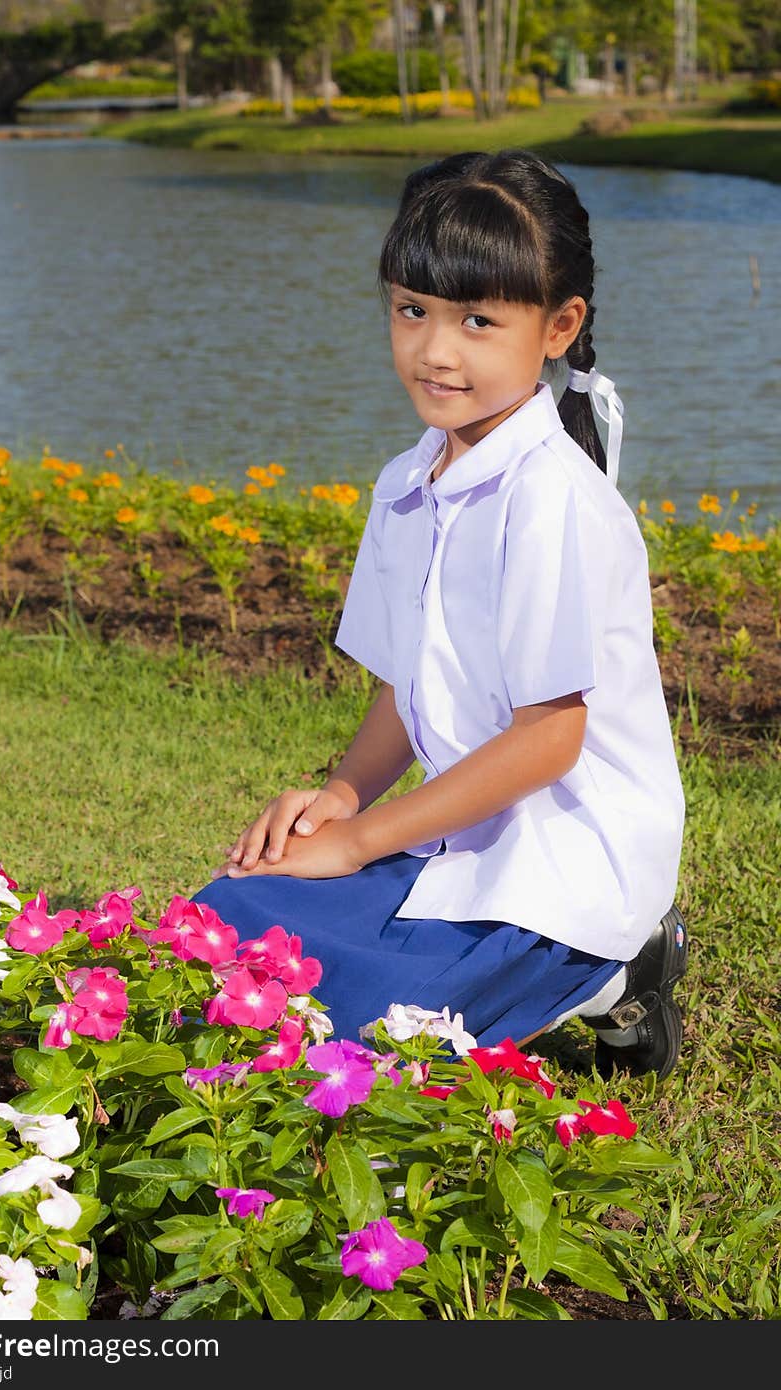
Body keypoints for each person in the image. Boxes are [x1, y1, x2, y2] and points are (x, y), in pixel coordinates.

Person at [193, 149, 688, 1081]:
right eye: (411, 309)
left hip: (564, 869)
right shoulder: (410, 480)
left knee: (348, 1043)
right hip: (460, 832)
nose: (435, 350)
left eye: (476, 319)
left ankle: (623, 963)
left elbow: (549, 741)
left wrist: (359, 842)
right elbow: (404, 685)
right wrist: (337, 801)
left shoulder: (555, 503)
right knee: (226, 924)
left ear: (559, 326)